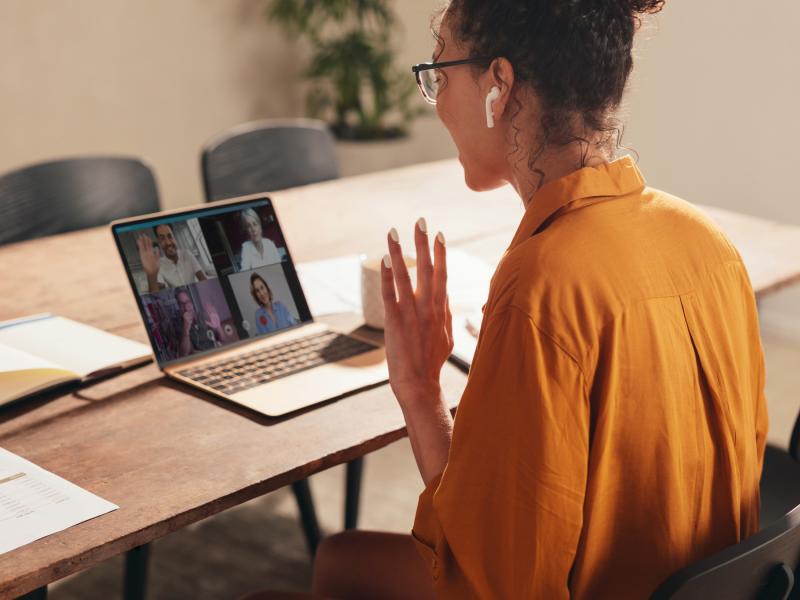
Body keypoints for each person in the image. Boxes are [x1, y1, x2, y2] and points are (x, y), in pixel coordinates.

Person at [245, 1, 766, 598]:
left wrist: (419, 393)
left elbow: (490, 582)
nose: (437, 103)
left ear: (499, 85)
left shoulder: (543, 284)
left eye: (440, 75)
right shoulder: (708, 244)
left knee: (334, 563)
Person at [136, 223, 208, 292]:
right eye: (162, 238)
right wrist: (151, 275)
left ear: (174, 237)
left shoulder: (187, 254)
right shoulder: (158, 264)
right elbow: (157, 292)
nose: (168, 243)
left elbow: (203, 279)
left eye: (170, 236)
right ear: (159, 242)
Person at [174, 287, 225, 357]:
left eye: (188, 301)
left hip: (216, 354)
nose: (186, 306)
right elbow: (185, 353)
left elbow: (222, 339)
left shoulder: (203, 316)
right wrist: (186, 330)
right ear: (178, 306)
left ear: (191, 302)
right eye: (182, 304)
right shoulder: (178, 325)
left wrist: (218, 326)